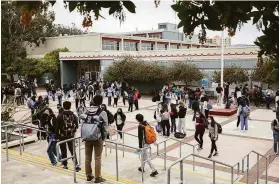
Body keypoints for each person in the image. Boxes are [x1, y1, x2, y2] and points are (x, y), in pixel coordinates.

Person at [80, 95, 108, 183]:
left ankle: (88, 175)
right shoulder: (102, 112)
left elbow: (82, 121)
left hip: (87, 137)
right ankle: (97, 177)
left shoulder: (86, 110)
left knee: (87, 157)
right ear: (101, 102)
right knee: (98, 158)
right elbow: (105, 127)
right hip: (97, 137)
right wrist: (104, 137)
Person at [55, 101, 81, 171]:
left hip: (62, 136)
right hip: (71, 136)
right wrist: (73, 131)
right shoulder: (73, 115)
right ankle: (76, 165)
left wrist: (57, 136)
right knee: (72, 150)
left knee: (63, 150)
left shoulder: (60, 116)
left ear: (63, 107)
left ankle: (65, 165)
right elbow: (77, 125)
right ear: (70, 106)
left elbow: (57, 128)